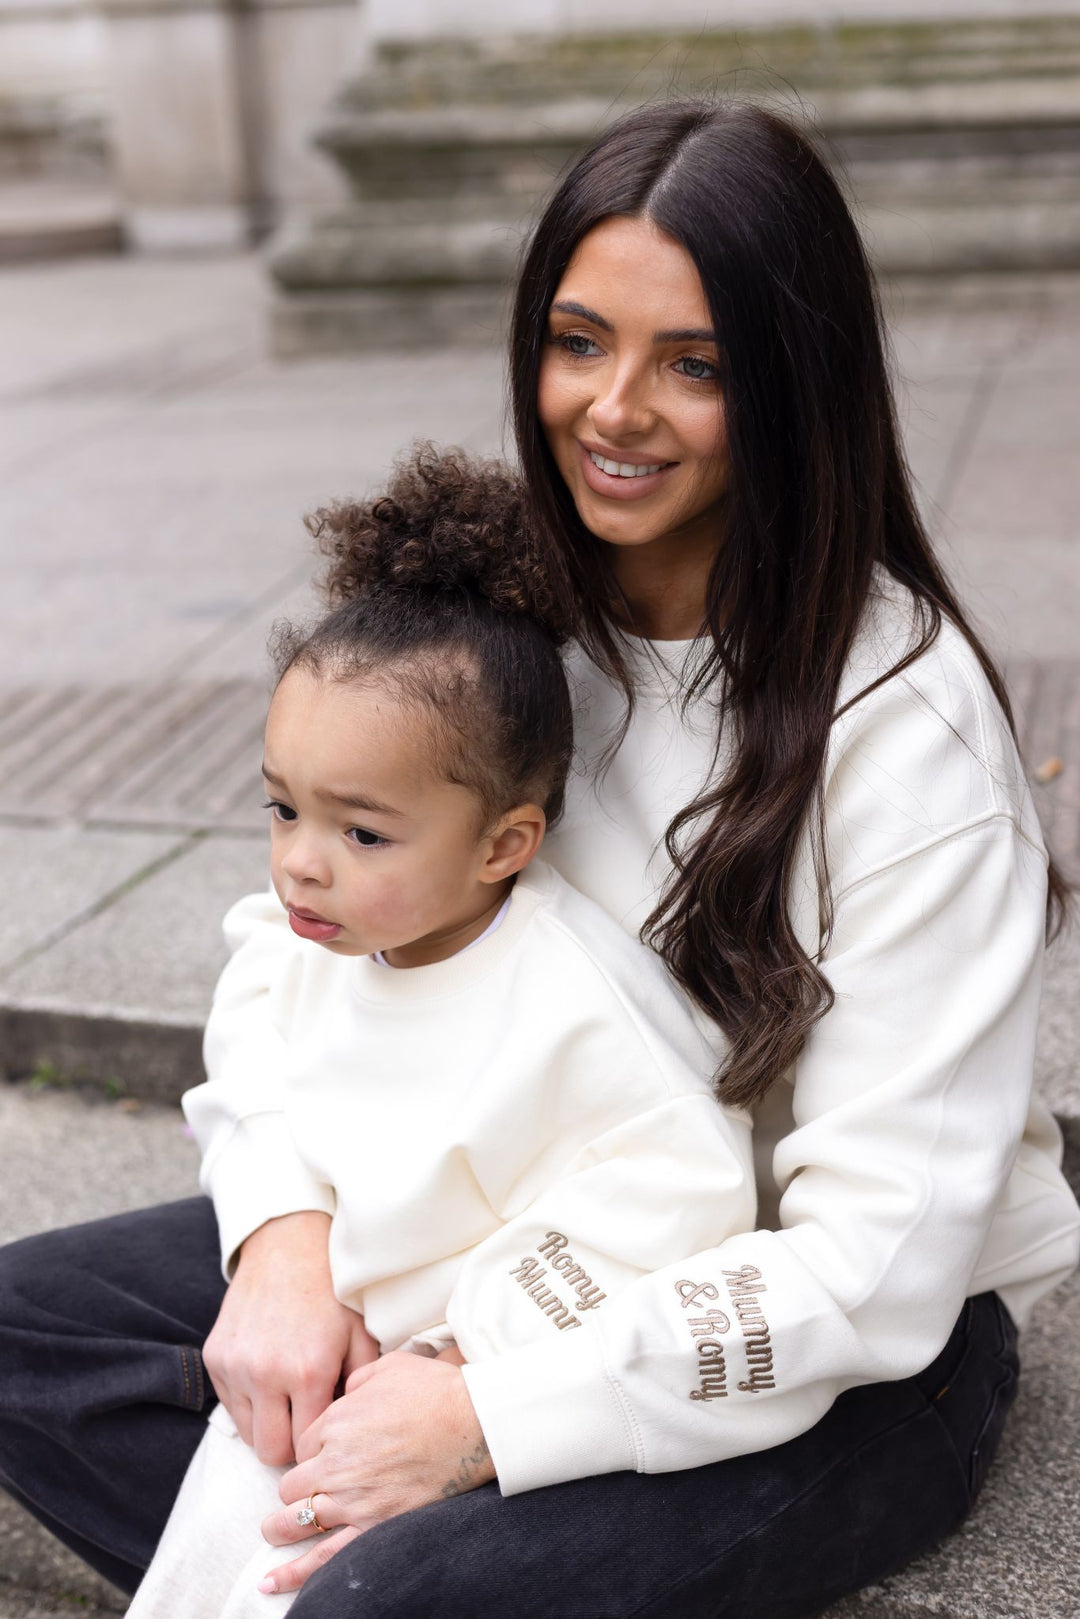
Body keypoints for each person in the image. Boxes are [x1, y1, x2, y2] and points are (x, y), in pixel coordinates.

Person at [1, 99, 1078, 1619]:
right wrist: (286, 1244)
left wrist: (487, 1414)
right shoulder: (507, 625)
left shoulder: (910, 736)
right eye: (579, 341)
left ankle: (372, 1551)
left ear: (793, 385)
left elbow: (875, 1267)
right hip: (482, 1213)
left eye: (693, 364)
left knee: (392, 1596)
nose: (615, 408)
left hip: (814, 1335)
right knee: (23, 1325)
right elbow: (294, 931)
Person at [124, 446, 756, 1618]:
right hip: (340, 1348)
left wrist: (473, 1343)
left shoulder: (569, 999)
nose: (301, 859)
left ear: (505, 844)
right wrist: (289, 1238)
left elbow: (687, 1188)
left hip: (469, 1377)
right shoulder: (337, 935)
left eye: (363, 832)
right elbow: (257, 1002)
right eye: (282, 806)